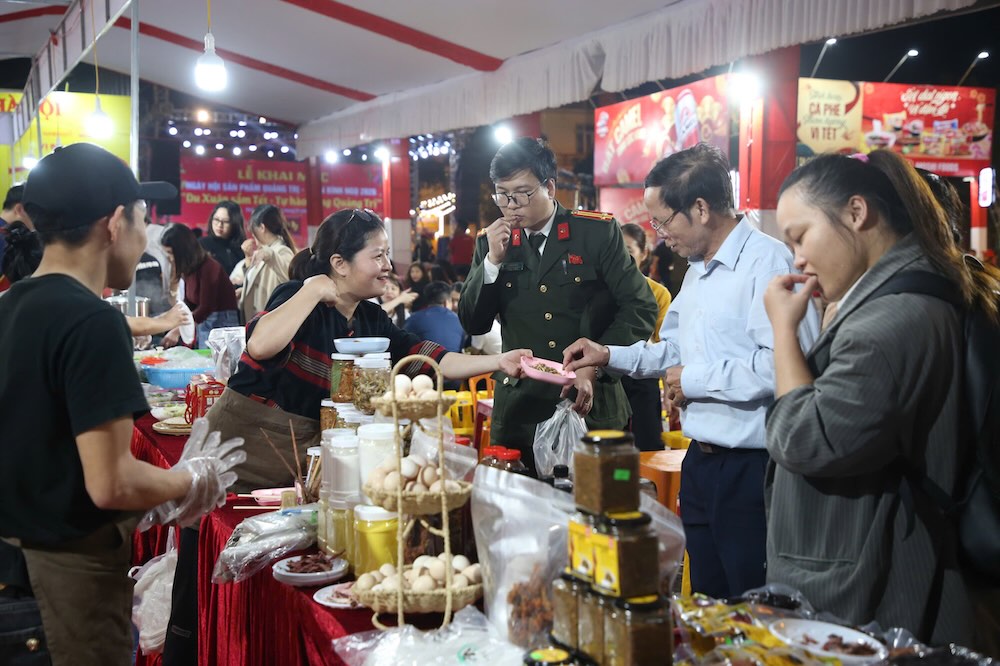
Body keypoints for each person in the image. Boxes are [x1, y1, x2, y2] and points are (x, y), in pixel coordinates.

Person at [161, 209, 530, 664]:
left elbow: (435, 361)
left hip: (292, 472)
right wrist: (314, 290)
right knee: (197, 591)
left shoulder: (373, 321)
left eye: (387, 255)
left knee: (260, 590)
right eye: (377, 255)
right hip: (231, 462)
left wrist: (499, 362)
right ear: (339, 264)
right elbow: (260, 345)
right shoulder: (296, 296)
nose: (388, 266)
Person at [0, 143, 243, 666]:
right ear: (113, 223)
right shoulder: (94, 322)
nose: (146, 236)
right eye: (142, 219)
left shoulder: (11, 305)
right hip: (63, 589)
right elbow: (110, 482)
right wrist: (191, 479)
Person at [762, 150, 1000, 649]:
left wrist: (784, 330)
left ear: (856, 213)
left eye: (800, 237)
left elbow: (805, 438)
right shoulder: (899, 300)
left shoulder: (889, 323)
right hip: (873, 566)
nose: (797, 259)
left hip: (871, 591)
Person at [563, 143, 820, 598]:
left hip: (752, 468)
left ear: (700, 209)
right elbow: (673, 350)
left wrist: (694, 379)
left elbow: (783, 365)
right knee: (706, 598)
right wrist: (607, 354)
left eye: (663, 221)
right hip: (701, 463)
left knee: (753, 604)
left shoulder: (768, 263)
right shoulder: (698, 271)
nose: (660, 235)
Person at [459, 137, 657, 473]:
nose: (511, 205)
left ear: (550, 187)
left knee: (597, 512)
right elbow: (473, 323)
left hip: (591, 404)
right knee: (520, 518)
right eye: (502, 195)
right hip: (521, 409)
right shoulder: (492, 243)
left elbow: (641, 308)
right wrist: (491, 262)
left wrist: (591, 366)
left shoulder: (595, 233)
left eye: (521, 193)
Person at [619, 223, 672, 451]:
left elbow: (665, 345)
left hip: (644, 378)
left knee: (648, 443)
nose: (622, 257)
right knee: (612, 447)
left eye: (629, 251)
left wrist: (670, 387)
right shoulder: (597, 290)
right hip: (607, 380)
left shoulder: (658, 293)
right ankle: (618, 483)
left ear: (644, 253)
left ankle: (648, 484)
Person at [160, 222, 239, 348]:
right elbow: (188, 303)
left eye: (171, 253)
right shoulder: (189, 268)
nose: (170, 258)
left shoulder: (210, 268)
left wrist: (177, 330)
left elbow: (206, 308)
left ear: (182, 250)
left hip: (221, 323)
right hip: (204, 321)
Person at [237, 204, 296, 322]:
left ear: (262, 228)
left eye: (253, 232)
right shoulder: (264, 250)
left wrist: (269, 254)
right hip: (256, 321)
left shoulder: (282, 251)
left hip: (271, 322)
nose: (253, 237)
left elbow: (287, 274)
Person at [405, 280, 467, 352]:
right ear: (446, 302)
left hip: (425, 361)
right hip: (453, 361)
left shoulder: (413, 318)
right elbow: (460, 347)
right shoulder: (459, 320)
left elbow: (404, 344)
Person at [199, 200, 246, 275]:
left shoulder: (242, 248)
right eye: (216, 219)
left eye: (226, 221)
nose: (219, 225)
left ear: (235, 223)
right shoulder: (202, 244)